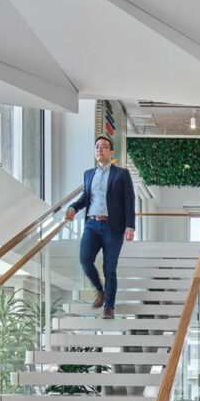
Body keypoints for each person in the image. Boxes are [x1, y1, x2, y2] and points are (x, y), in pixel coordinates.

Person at [64, 136, 135, 320]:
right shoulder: (89, 174)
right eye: (97, 147)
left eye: (104, 146)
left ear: (111, 152)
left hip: (114, 226)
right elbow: (85, 198)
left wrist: (130, 226)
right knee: (85, 259)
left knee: (109, 268)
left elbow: (129, 201)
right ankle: (99, 291)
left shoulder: (121, 174)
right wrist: (73, 207)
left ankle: (109, 307)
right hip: (92, 225)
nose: (99, 149)